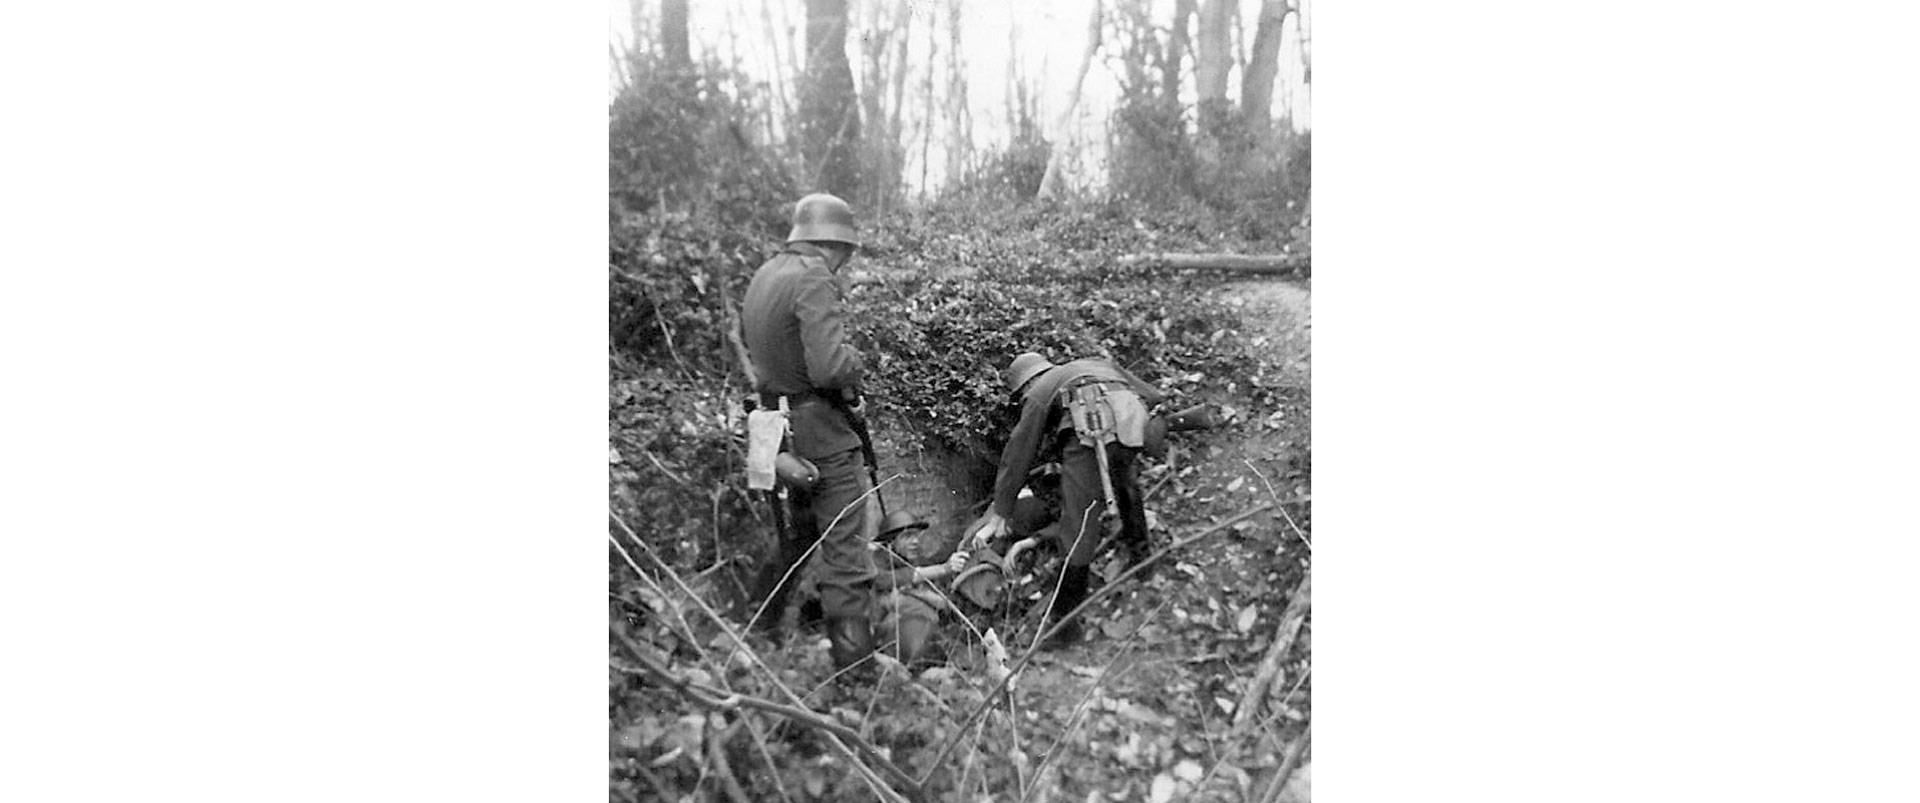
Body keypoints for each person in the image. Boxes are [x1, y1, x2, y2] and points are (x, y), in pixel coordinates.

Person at [741, 192, 877, 674]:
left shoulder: (766, 274)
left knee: (795, 537)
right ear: (837, 245)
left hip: (774, 430)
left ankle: (753, 636)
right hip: (818, 431)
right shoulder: (814, 275)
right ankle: (856, 673)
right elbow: (829, 367)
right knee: (845, 551)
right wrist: (857, 362)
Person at [965, 352, 1167, 647]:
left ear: (1027, 383)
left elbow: (1018, 452)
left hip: (1089, 438)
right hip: (1128, 429)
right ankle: (1142, 559)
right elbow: (1153, 396)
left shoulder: (1039, 391)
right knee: (1127, 488)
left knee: (1078, 527)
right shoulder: (1096, 364)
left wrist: (1001, 510)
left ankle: (1066, 628)